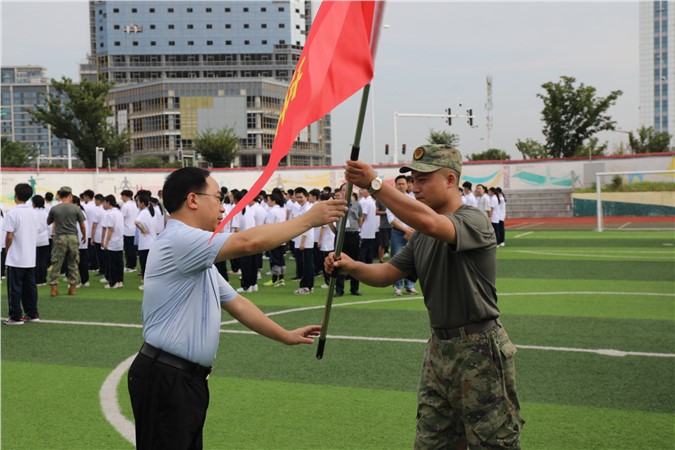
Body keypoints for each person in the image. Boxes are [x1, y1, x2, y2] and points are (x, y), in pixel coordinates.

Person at [127, 167, 346, 449]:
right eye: (218, 198)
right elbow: (248, 242)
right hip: (167, 377)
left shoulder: (195, 253)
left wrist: (284, 335)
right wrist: (308, 219)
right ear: (193, 200)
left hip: (181, 379)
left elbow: (236, 303)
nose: (223, 207)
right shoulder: (180, 240)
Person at [325, 145, 523, 449]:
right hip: (439, 350)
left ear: (450, 180)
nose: (415, 188)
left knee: (492, 442)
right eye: (412, 180)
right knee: (432, 442)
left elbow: (431, 222)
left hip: (479, 350)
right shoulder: (422, 236)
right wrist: (351, 267)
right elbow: (389, 273)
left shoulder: (474, 221)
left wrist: (375, 184)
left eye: (423, 180)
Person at [3, 183, 41, 325]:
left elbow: (9, 236)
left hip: (16, 257)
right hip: (30, 256)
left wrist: (7, 250)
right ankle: (32, 313)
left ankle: (16, 316)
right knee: (30, 286)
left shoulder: (13, 213)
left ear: (16, 195)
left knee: (15, 287)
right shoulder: (33, 212)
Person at [47, 186, 86, 297]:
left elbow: (48, 222)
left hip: (59, 237)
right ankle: (72, 288)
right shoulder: (76, 208)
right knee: (73, 263)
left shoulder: (55, 209)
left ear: (60, 195)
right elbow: (82, 225)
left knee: (56, 263)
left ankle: (54, 288)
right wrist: (84, 235)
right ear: (70, 195)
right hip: (73, 237)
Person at [134, 194, 157, 291]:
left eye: (138, 201)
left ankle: (146, 284)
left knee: (144, 265)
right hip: (152, 242)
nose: (137, 203)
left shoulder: (143, 212)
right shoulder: (151, 211)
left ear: (142, 203)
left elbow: (136, 222)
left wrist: (142, 230)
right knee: (149, 265)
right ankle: (151, 284)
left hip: (145, 244)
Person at [102, 195, 125, 289]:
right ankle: (120, 281)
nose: (104, 204)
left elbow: (110, 229)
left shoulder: (110, 214)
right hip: (119, 241)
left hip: (113, 241)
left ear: (108, 202)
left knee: (112, 264)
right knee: (119, 263)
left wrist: (106, 241)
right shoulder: (119, 213)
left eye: (104, 202)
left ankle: (113, 283)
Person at [120, 190, 139, 272]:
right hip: (135, 229)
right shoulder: (136, 204)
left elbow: (121, 218)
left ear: (125, 196)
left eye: (122, 196)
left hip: (127, 230)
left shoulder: (125, 206)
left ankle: (129, 266)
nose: (121, 198)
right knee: (133, 250)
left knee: (128, 250)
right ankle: (133, 265)